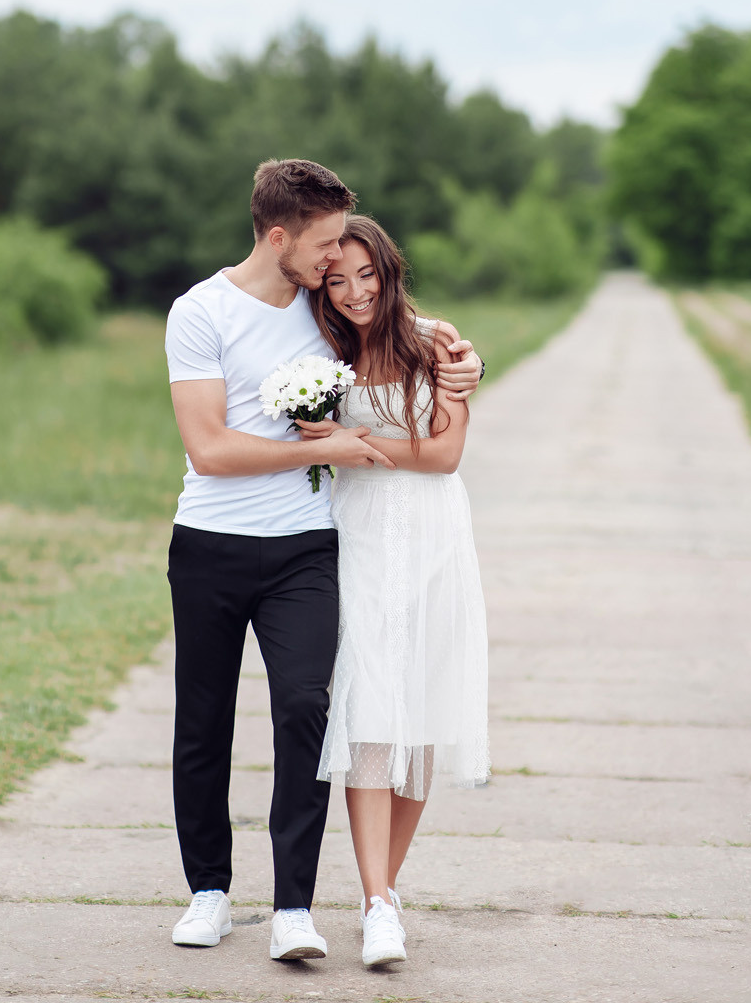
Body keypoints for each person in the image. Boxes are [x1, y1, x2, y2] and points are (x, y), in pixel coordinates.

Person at [164, 160, 482, 962]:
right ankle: (207, 892)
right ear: (282, 240)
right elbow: (206, 449)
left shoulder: (324, 310)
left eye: (344, 247)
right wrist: (340, 445)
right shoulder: (201, 312)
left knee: (309, 711)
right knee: (201, 719)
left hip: (307, 545)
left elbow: (396, 318)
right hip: (209, 540)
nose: (338, 261)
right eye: (327, 244)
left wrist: (462, 357)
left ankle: (294, 907)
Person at [299, 214, 489, 970]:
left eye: (364, 275)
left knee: (420, 710)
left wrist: (358, 448)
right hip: (357, 536)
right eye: (335, 279)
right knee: (370, 709)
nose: (351, 293)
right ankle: (378, 902)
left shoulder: (436, 342)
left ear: (387, 268)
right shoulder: (320, 350)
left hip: (434, 536)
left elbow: (444, 455)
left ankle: (384, 890)